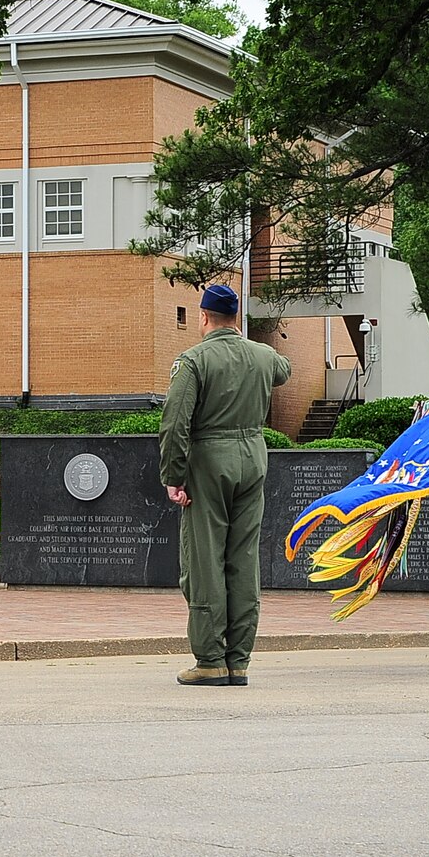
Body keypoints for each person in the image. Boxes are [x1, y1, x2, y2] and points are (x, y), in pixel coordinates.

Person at [159, 283, 291, 686]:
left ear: (202, 317)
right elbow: (284, 371)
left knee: (204, 561)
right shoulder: (264, 355)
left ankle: (210, 660)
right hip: (253, 454)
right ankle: (239, 659)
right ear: (236, 318)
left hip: (209, 460)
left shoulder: (194, 361)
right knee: (243, 558)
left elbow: (175, 422)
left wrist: (173, 476)